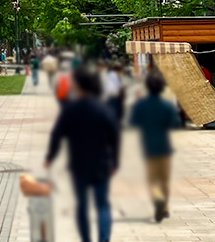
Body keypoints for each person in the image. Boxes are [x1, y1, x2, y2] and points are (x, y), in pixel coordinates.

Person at [46, 67, 120, 242]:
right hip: (102, 163)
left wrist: (50, 156)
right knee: (102, 204)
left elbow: (57, 134)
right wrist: (115, 161)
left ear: (78, 86)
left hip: (79, 164)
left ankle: (86, 239)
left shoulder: (71, 110)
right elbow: (114, 137)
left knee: (82, 206)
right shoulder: (103, 109)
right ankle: (104, 238)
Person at [130, 72, 184, 223]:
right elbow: (176, 124)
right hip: (165, 146)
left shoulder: (141, 105)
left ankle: (158, 198)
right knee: (165, 180)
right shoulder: (167, 105)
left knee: (152, 180)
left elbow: (133, 122)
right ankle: (165, 206)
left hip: (148, 146)